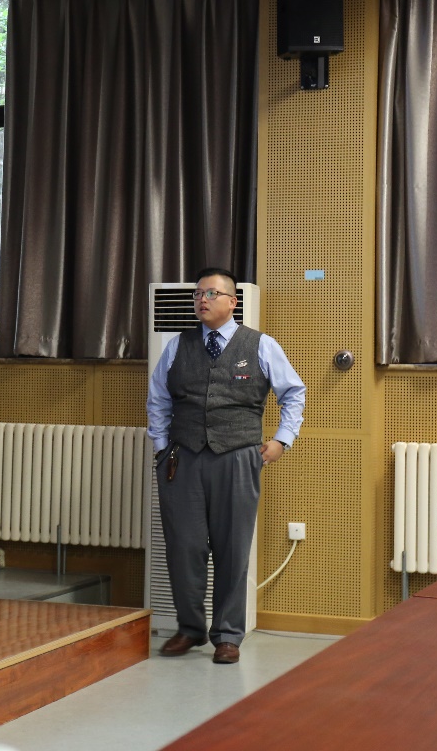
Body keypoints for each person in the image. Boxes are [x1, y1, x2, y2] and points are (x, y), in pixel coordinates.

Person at [146, 267, 305, 665]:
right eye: (198, 294)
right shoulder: (177, 345)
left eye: (211, 293)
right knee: (184, 547)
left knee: (232, 548)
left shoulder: (261, 345)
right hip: (181, 460)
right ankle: (190, 628)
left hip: (238, 458)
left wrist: (282, 440)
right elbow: (158, 399)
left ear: (233, 302)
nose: (202, 299)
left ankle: (228, 635)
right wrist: (162, 448)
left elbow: (293, 392)